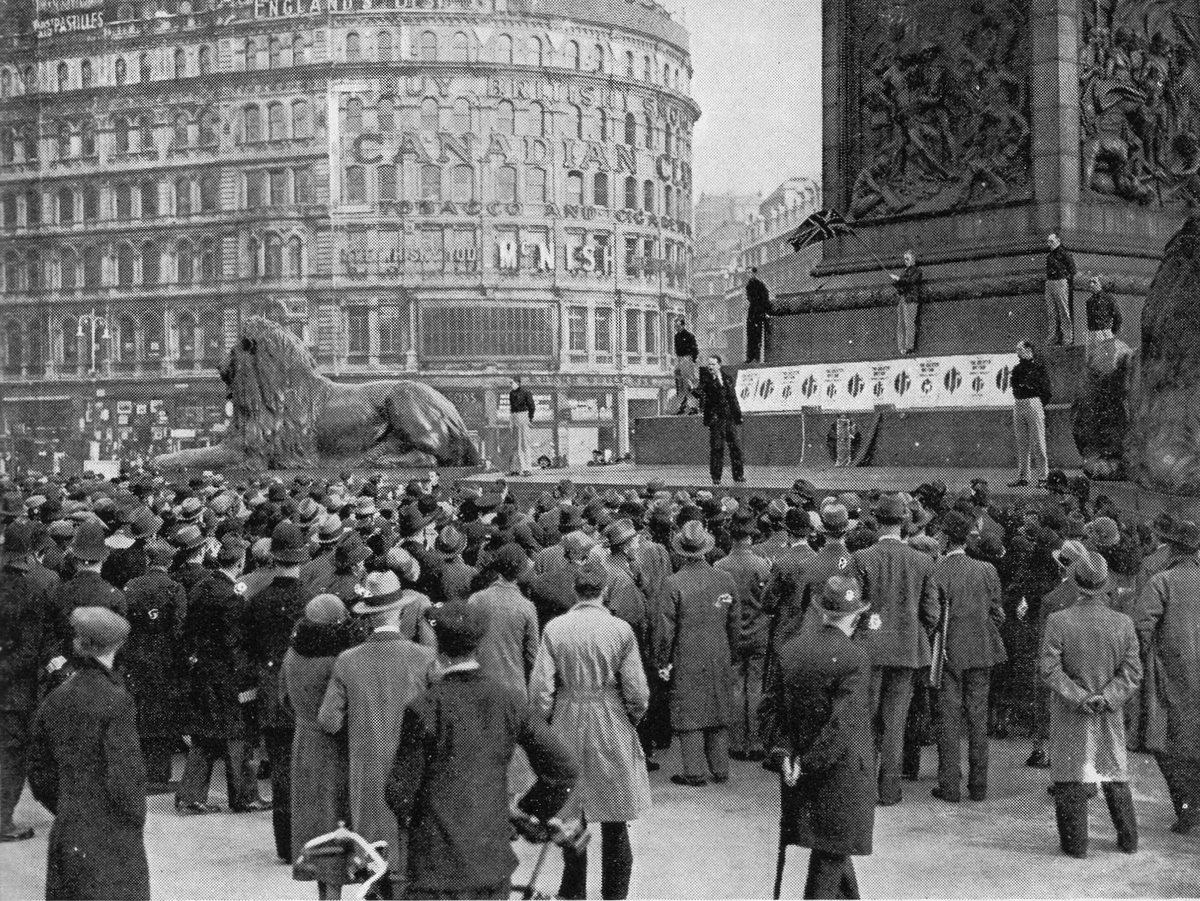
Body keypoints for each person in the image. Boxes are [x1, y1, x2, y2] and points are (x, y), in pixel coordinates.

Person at [386, 601, 578, 901]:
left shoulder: (424, 707)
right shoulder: (509, 700)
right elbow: (563, 767)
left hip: (435, 865)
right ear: (478, 645)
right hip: (490, 859)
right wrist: (527, 812)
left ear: (438, 647)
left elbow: (399, 791)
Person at [530, 561, 651, 900]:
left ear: (575, 591)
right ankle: (615, 893)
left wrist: (546, 723)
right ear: (605, 590)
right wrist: (632, 719)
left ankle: (574, 890)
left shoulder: (555, 629)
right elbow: (637, 690)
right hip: (610, 718)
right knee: (616, 815)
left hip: (568, 716)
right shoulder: (620, 630)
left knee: (572, 816)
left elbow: (540, 689)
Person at [319, 570, 437, 899]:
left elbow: (328, 720)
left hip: (366, 769)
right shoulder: (424, 658)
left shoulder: (347, 661)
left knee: (372, 859)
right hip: (413, 771)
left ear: (368, 619)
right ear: (400, 612)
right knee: (410, 858)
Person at [759, 576, 876, 900]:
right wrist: (808, 763)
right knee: (830, 856)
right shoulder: (855, 658)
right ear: (854, 616)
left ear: (822, 611)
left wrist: (787, 756)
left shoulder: (791, 649)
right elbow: (843, 724)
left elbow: (769, 710)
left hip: (797, 770)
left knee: (832, 849)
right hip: (841, 773)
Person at [29, 607, 151, 901]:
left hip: (69, 826)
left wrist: (67, 806)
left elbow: (39, 772)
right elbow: (126, 775)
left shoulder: (55, 698)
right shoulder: (117, 701)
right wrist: (133, 817)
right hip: (111, 832)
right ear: (117, 645)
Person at [1041, 549, 1141, 858]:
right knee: (1113, 772)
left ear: (1077, 583)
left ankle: (1076, 846)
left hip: (1071, 712)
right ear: (1104, 585)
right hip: (1108, 713)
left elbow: (1049, 669)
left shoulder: (1058, 621)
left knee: (1071, 773)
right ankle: (1128, 840)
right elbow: (1132, 672)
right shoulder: (1123, 624)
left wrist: (1079, 696)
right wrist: (1107, 697)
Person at [852, 494, 938, 806]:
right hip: (907, 650)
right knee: (895, 721)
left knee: (867, 718)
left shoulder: (861, 558)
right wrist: (913, 632)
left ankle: (863, 786)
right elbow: (931, 613)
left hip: (869, 648)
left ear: (876, 521)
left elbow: (854, 607)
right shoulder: (922, 560)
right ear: (903, 522)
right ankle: (889, 789)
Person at [177, 533, 265, 815]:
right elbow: (235, 643)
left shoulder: (201, 587)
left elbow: (188, 630)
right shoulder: (232, 598)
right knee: (238, 734)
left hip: (202, 669)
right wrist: (247, 679)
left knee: (205, 735)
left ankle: (190, 795)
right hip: (227, 674)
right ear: (239, 563)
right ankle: (244, 796)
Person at [242, 520, 311, 861]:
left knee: (282, 769)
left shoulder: (257, 600)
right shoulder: (311, 601)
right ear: (302, 557)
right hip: (306, 690)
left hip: (270, 688)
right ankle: (308, 842)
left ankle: (286, 844)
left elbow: (250, 647)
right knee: (309, 768)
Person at [282, 594, 357, 899]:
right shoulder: (339, 660)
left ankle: (323, 892)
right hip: (334, 748)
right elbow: (337, 714)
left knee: (312, 822)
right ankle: (334, 892)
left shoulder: (292, 654)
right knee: (336, 820)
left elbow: (284, 701)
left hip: (303, 742)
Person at [930, 511, 1007, 803]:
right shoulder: (987, 570)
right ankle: (978, 786)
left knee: (948, 719)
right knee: (978, 719)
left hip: (948, 653)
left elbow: (932, 617)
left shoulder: (937, 572)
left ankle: (949, 785)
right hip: (983, 650)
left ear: (946, 538)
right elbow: (998, 612)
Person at [657, 520, 740, 786]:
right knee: (718, 706)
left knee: (689, 709)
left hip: (686, 653)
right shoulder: (725, 579)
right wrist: (731, 652)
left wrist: (662, 661)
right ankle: (720, 768)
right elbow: (735, 622)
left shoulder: (673, 583)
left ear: (681, 550)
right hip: (719, 650)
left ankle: (693, 771)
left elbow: (664, 630)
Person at [1134, 518, 1200, 834]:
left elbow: (1141, 629)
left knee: (1168, 747)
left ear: (1172, 547)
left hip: (1172, 678)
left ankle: (1187, 807)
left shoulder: (1162, 582)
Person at [121, 537, 189, 788]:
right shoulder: (174, 588)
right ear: (168, 562)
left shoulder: (131, 586)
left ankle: (138, 769)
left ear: (148, 560)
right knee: (162, 711)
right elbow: (180, 626)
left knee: (138, 709)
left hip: (136, 654)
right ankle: (158, 772)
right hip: (165, 657)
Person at [0, 520, 51, 842]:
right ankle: (3, 821)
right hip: (14, 689)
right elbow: (30, 648)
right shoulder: (36, 585)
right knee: (11, 755)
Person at [715, 509, 772, 761]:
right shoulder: (763, 566)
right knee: (757, 686)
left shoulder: (720, 567)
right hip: (759, 633)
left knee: (736, 686)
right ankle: (756, 741)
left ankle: (737, 742)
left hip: (733, 634)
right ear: (751, 536)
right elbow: (768, 602)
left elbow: (720, 605)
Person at [1008, 340, 1052, 488]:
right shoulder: (1016, 369)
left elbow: (1047, 391)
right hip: (1019, 404)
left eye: (1020, 349)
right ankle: (1023, 477)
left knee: (1038, 442)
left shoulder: (1039, 368)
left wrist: (1038, 403)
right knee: (1022, 443)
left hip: (1033, 403)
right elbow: (1014, 386)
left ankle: (1043, 477)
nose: (1017, 352)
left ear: (1028, 350)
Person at [696, 355, 745, 486]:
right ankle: (716, 477)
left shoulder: (727, 378)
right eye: (709, 364)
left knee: (735, 447)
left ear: (719, 365)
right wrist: (692, 389)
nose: (710, 367)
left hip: (729, 418)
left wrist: (738, 415)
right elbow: (698, 392)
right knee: (717, 448)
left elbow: (733, 398)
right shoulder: (706, 380)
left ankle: (739, 475)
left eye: (712, 364)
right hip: (716, 419)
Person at [1045, 233, 1077, 346]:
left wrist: (1063, 277)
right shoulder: (1049, 256)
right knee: (1051, 312)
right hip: (1050, 283)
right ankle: (1052, 337)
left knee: (1063, 311)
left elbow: (1072, 270)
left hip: (1060, 282)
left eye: (1052, 241)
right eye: (1048, 242)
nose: (1050, 244)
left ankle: (1067, 338)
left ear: (1058, 240)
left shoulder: (1065, 254)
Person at [890, 249, 922, 355]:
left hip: (911, 299)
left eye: (907, 259)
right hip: (903, 299)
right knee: (901, 323)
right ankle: (901, 347)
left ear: (913, 259)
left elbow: (910, 282)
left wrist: (898, 279)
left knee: (909, 323)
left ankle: (909, 347)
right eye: (904, 259)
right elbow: (902, 285)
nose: (905, 261)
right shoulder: (905, 272)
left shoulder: (917, 271)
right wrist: (896, 282)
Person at [1084, 275, 1122, 355]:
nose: (1091, 285)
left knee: (1104, 359)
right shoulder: (1089, 301)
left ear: (1101, 284)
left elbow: (1118, 318)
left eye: (1094, 282)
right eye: (1090, 282)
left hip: (1105, 333)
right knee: (1091, 359)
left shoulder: (1109, 299)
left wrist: (1112, 332)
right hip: (1091, 333)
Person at [508, 376, 536, 477]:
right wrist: (511, 421)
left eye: (512, 383)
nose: (511, 385)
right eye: (510, 383)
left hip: (523, 415)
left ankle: (527, 469)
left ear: (518, 383)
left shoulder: (526, 392)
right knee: (515, 444)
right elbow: (512, 407)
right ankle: (515, 469)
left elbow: (532, 406)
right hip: (514, 417)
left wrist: (530, 418)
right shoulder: (511, 394)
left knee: (524, 443)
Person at [672, 318, 700, 415]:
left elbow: (694, 349)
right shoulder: (676, 337)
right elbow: (676, 349)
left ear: (683, 326)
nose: (677, 328)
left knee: (688, 383)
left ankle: (693, 406)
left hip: (687, 359)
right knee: (679, 383)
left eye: (679, 326)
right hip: (679, 359)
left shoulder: (689, 336)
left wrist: (692, 361)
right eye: (676, 326)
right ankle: (682, 405)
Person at [745, 267, 771, 363]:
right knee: (751, 334)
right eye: (746, 273)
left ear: (754, 273)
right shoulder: (749, 285)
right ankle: (751, 356)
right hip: (753, 311)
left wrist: (764, 311)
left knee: (757, 335)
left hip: (758, 312)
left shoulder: (759, 285)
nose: (748, 274)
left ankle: (756, 356)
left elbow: (764, 298)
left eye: (749, 272)